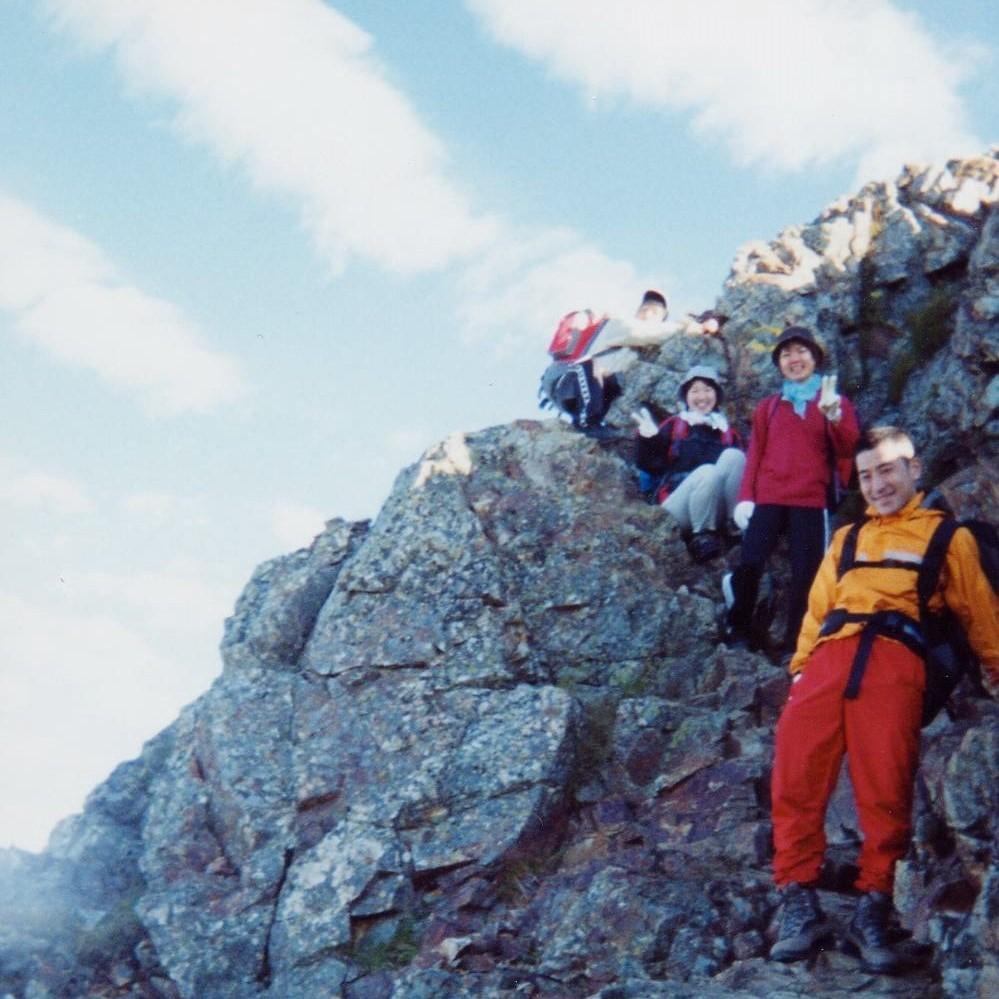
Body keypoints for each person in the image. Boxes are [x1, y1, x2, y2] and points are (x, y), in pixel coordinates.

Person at [768, 426, 999, 973]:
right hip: (829, 658)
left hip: (896, 660)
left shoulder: (948, 538)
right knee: (795, 776)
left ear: (914, 470)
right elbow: (817, 609)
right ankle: (799, 901)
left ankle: (873, 907)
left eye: (887, 470)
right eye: (866, 475)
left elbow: (980, 615)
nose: (877, 484)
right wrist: (801, 669)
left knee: (885, 787)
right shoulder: (846, 538)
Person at [723, 326, 860, 656]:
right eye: (786, 354)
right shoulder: (768, 407)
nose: (794, 359)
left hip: (811, 500)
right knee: (750, 562)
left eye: (801, 352)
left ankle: (796, 643)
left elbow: (849, 448)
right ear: (779, 364)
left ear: (815, 358)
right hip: (769, 497)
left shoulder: (833, 401)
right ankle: (737, 628)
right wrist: (746, 497)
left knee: (807, 574)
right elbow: (755, 454)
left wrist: (836, 418)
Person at [633, 365, 745, 562]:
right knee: (708, 472)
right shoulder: (675, 425)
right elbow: (649, 465)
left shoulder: (728, 432)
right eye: (695, 390)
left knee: (735, 457)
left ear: (717, 395)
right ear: (686, 397)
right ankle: (701, 537)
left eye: (708, 390)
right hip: (677, 506)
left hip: (712, 507)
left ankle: (734, 524)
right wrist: (648, 440)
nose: (702, 396)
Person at [541, 290, 674, 438]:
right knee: (593, 366)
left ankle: (597, 423)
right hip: (568, 382)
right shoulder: (619, 326)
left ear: (662, 318)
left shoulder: (635, 347)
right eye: (644, 310)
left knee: (614, 381)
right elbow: (649, 332)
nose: (648, 314)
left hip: (589, 390)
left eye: (655, 312)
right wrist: (689, 327)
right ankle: (586, 424)